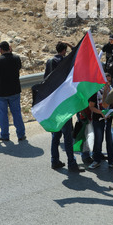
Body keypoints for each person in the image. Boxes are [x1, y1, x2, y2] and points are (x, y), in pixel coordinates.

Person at [44, 40, 85, 173]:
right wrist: (69, 44)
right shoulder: (64, 62)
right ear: (64, 51)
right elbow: (77, 53)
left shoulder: (49, 62)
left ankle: (54, 160)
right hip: (63, 103)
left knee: (56, 134)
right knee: (67, 135)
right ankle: (71, 163)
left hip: (52, 103)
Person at [0, 42, 26, 142]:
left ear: (1, 49)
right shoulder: (16, 58)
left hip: (1, 92)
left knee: (3, 114)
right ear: (9, 48)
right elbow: (18, 68)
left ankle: (5, 135)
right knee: (16, 113)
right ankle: (21, 134)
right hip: (14, 91)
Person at [88, 73, 113, 170]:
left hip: (109, 119)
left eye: (109, 81)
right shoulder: (95, 91)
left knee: (110, 141)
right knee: (98, 140)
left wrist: (110, 113)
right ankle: (96, 160)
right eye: (105, 81)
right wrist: (101, 112)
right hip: (98, 119)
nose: (107, 83)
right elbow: (91, 107)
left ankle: (111, 162)